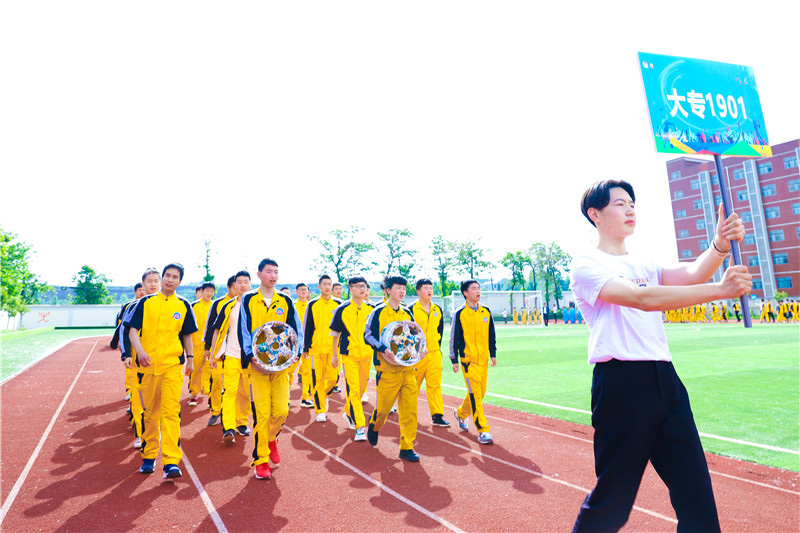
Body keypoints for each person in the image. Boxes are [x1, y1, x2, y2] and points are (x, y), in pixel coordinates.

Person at [569, 180, 750, 532]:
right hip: (622, 386)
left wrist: (720, 246)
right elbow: (643, 299)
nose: (631, 209)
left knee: (697, 500)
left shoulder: (644, 261)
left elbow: (693, 273)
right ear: (595, 213)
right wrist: (721, 291)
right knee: (613, 503)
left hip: (666, 383)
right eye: (620, 204)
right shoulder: (585, 264)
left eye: (632, 203)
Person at [124, 263, 198, 479]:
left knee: (171, 413)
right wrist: (140, 351)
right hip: (146, 367)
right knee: (150, 413)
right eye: (167, 276)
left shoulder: (183, 305)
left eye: (175, 277)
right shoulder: (145, 303)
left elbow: (187, 335)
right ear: (162, 277)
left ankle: (171, 462)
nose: (170, 280)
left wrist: (190, 360)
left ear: (180, 281)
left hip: (172, 367)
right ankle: (148, 457)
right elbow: (132, 331)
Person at [239, 258, 303, 480]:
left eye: (276, 272)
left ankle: (271, 438)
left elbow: (296, 331)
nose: (273, 276)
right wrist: (250, 356)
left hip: (280, 368)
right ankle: (261, 460)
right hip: (257, 368)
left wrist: (296, 353)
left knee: (282, 411)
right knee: (262, 414)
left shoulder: (285, 301)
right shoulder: (248, 299)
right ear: (259, 275)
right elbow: (244, 330)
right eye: (268, 272)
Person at [364, 275, 421, 461]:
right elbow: (368, 335)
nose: (402, 291)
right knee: (383, 410)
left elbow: (415, 337)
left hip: (406, 370)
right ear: (388, 290)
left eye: (404, 288)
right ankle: (374, 424)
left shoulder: (407, 313)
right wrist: (383, 349)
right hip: (386, 370)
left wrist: (422, 349)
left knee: (410, 411)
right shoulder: (378, 311)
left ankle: (406, 447)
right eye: (398, 288)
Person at [119, 268, 162, 449]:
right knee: (139, 400)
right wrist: (127, 354)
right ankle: (142, 433)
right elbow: (124, 330)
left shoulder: (170, 304)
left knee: (160, 398)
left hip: (162, 360)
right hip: (139, 360)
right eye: (149, 281)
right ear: (142, 284)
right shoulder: (133, 306)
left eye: (155, 280)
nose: (152, 284)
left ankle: (157, 430)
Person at [209, 271, 254, 444]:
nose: (242, 285)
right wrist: (214, 353)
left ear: (250, 284)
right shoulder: (229, 306)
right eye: (239, 282)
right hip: (231, 356)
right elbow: (216, 330)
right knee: (229, 393)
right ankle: (228, 427)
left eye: (245, 282)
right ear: (234, 285)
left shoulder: (255, 305)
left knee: (244, 393)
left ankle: (241, 423)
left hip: (250, 359)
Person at [450, 279, 497, 445]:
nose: (478, 291)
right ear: (465, 293)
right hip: (468, 361)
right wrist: (454, 359)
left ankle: (461, 414)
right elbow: (454, 338)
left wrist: (493, 353)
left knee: (480, 392)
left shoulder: (486, 311)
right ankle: (483, 430)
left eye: (479, 288)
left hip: (483, 359)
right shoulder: (459, 313)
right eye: (474, 289)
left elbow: (491, 333)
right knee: (475, 395)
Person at [329, 276, 374, 441]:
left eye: (364, 286)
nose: (362, 289)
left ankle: (349, 412)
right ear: (351, 288)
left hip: (367, 355)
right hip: (349, 356)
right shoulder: (342, 309)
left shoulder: (372, 309)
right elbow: (335, 334)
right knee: (353, 390)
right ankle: (360, 426)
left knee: (361, 389)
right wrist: (335, 356)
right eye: (358, 286)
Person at [409, 278, 450, 428]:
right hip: (416, 356)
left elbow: (440, 331)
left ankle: (437, 415)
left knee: (435, 385)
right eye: (426, 288)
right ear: (418, 291)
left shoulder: (437, 309)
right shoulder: (411, 309)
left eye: (431, 288)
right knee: (413, 386)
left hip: (433, 354)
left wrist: (436, 349)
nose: (429, 290)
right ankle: (409, 413)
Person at [303, 274, 343, 422]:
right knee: (317, 379)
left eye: (329, 284)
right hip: (316, 349)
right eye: (324, 284)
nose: (327, 287)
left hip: (334, 350)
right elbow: (307, 326)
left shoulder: (339, 304)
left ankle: (324, 396)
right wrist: (306, 347)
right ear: (319, 287)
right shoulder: (312, 304)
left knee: (333, 379)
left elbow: (343, 328)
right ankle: (320, 409)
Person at [203, 276, 237, 425]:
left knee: (235, 386)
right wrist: (207, 349)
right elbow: (211, 327)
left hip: (236, 351)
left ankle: (233, 415)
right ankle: (216, 411)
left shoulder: (246, 303)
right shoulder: (218, 304)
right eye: (236, 286)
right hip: (219, 351)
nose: (240, 289)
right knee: (216, 381)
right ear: (228, 288)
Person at [187, 281, 216, 406]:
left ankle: (211, 395)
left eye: (211, 291)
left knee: (211, 370)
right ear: (202, 291)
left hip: (210, 344)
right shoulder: (193, 306)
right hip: (196, 344)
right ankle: (194, 394)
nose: (209, 293)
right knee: (196, 370)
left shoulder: (215, 306)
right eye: (207, 290)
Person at [293, 283, 314, 408]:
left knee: (307, 372)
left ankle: (306, 397)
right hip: (294, 345)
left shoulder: (311, 306)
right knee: (289, 372)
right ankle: (285, 398)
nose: (303, 292)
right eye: (301, 290)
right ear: (296, 292)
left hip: (307, 346)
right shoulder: (293, 306)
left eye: (305, 290)